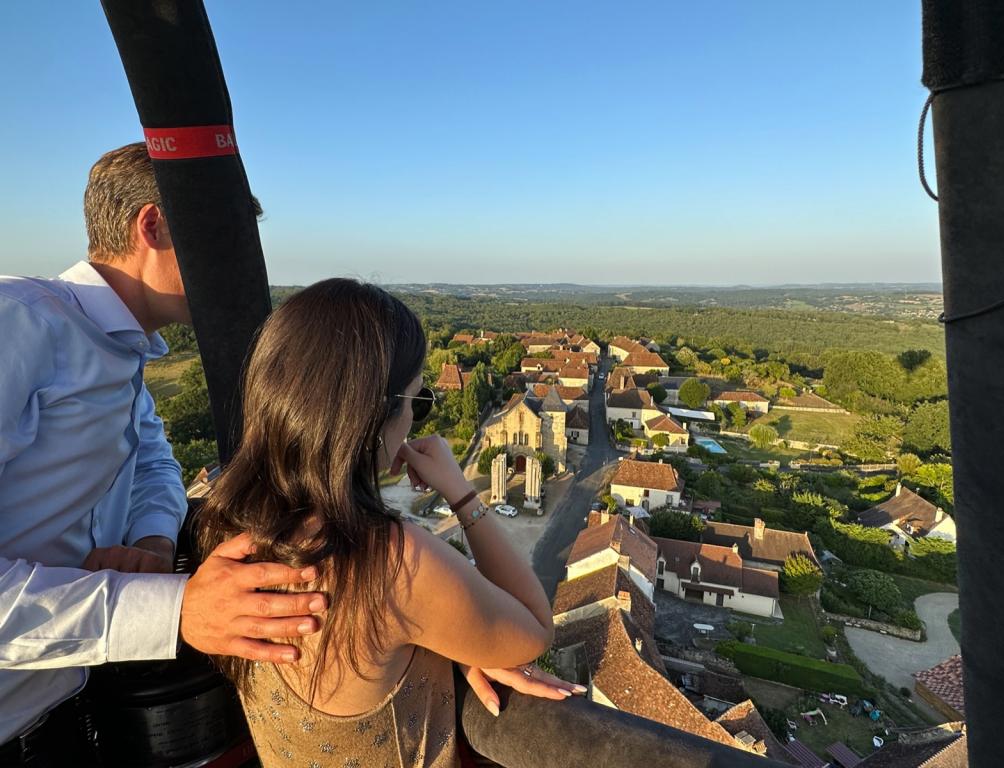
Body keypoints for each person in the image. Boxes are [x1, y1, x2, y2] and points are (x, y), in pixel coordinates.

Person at [0, 143, 325, 762]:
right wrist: (172, 608)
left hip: (64, 708)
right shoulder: (17, 324)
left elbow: (151, 459)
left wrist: (151, 543)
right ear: (153, 225)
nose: (233, 267)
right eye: (221, 240)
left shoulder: (118, 349)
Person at [196, 279, 584, 768]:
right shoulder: (393, 563)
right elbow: (533, 627)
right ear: (374, 416)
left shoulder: (230, 523)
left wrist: (455, 636)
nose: (415, 421)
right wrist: (463, 493)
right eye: (416, 403)